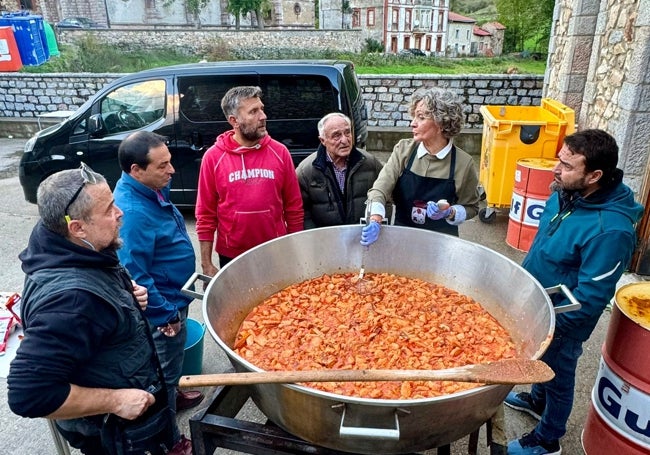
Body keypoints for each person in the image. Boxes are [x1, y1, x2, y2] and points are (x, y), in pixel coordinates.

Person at [7, 165, 191, 455]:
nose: (120, 213)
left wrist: (126, 297)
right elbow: (28, 394)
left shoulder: (65, 242)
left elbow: (96, 305)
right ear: (77, 227)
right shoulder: (72, 301)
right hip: (117, 433)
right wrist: (115, 401)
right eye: (108, 209)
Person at [505, 129, 644, 455]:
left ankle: (548, 438)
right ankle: (537, 401)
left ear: (594, 175)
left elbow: (591, 298)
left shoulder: (610, 231)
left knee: (559, 373)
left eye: (567, 166)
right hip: (537, 305)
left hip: (562, 321)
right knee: (543, 370)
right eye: (559, 160)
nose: (556, 169)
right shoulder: (567, 193)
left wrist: (548, 323)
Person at [113, 133, 205, 433]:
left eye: (170, 162)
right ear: (136, 170)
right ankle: (169, 438)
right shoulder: (133, 212)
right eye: (163, 165)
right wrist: (165, 315)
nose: (172, 170)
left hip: (175, 295)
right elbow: (135, 276)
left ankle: (174, 396)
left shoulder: (149, 187)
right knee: (162, 371)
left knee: (173, 363)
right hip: (163, 306)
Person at [195, 85, 303, 274]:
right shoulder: (213, 157)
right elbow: (205, 214)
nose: (263, 116)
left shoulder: (280, 152)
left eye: (262, 109)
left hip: (275, 251)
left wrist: (295, 252)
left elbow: (294, 208)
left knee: (281, 303)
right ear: (234, 121)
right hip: (232, 255)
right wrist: (206, 263)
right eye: (253, 111)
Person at [360, 86, 480, 245]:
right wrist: (375, 219)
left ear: (441, 123)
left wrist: (449, 212)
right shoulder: (403, 151)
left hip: (442, 243)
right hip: (402, 237)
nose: (413, 123)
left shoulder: (463, 163)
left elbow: (472, 207)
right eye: (414, 116)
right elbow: (380, 189)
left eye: (421, 117)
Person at [296, 112, 384, 228]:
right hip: (324, 241)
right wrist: (315, 238)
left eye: (347, 132)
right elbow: (302, 212)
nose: (344, 140)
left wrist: (379, 222)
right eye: (336, 135)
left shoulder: (370, 163)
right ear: (323, 140)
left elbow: (385, 196)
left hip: (362, 238)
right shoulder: (305, 172)